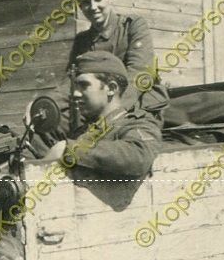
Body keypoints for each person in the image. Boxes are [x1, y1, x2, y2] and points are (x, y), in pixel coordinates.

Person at [34, 51, 161, 181]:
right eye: (75, 86)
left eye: (84, 85)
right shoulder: (84, 130)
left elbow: (138, 156)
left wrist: (69, 150)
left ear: (111, 88)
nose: (75, 94)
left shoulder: (136, 123)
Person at [68, 0, 169, 124]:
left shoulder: (133, 26)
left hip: (136, 105)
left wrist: (114, 111)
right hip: (96, 109)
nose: (93, 7)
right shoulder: (82, 41)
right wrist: (42, 105)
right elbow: (70, 81)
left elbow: (139, 74)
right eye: (86, 2)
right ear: (80, 5)